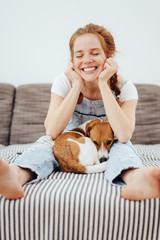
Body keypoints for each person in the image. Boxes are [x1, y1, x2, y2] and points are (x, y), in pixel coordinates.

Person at [0, 23, 160, 201]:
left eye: (95, 53)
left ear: (108, 56)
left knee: (123, 149)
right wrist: (77, 84)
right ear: (72, 61)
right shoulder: (64, 82)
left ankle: (136, 180)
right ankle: (14, 177)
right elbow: (52, 131)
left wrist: (103, 84)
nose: (87, 60)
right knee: (44, 144)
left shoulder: (125, 88)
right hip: (67, 140)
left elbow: (123, 135)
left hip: (110, 144)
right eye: (79, 55)